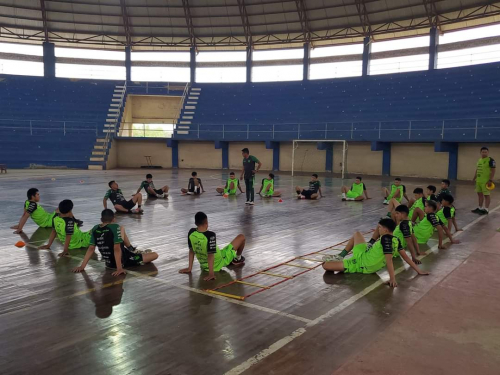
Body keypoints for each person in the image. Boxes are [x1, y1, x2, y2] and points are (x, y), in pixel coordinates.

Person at [322, 218, 429, 288]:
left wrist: (392, 279)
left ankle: (342, 259)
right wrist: (418, 271)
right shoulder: (395, 239)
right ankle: (340, 256)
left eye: (380, 227)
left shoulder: (385, 240)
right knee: (357, 234)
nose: (378, 229)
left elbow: (389, 260)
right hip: (364, 254)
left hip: (361, 263)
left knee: (325, 265)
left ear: (386, 230)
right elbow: (406, 257)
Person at [72, 209, 159, 277]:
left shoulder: (95, 228)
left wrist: (82, 266)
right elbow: (117, 249)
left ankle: (131, 249)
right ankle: (134, 253)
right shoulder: (114, 227)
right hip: (122, 260)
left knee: (122, 228)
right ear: (114, 219)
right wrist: (119, 268)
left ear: (101, 219)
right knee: (155, 255)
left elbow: (91, 249)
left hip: (108, 262)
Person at [179, 212, 246, 281]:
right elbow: (210, 255)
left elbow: (191, 250)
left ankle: (232, 257)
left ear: (196, 223)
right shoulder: (210, 235)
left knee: (222, 250)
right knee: (241, 237)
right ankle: (238, 258)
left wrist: (189, 268)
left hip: (204, 265)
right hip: (219, 262)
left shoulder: (191, 232)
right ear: (206, 223)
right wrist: (211, 274)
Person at [11, 188, 83, 234]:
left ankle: (74, 221)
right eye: (37, 195)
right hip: (47, 221)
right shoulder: (32, 205)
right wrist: (20, 229)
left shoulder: (27, 202)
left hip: (48, 217)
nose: (39, 196)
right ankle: (74, 222)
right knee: (66, 206)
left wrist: (19, 225)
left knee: (61, 208)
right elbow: (25, 216)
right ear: (33, 196)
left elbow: (24, 214)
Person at [472, 146, 496, 215]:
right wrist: (474, 178)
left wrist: (490, 180)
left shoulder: (491, 160)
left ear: (488, 152)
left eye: (485, 152)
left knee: (486, 195)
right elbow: (477, 169)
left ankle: (486, 209)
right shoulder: (479, 160)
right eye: (483, 152)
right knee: (479, 194)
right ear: (480, 152)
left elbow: (493, 170)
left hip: (486, 181)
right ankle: (480, 208)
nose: (484, 153)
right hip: (478, 181)